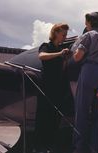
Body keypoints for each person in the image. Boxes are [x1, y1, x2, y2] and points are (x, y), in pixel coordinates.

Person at [70, 12, 98, 153]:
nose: (85, 25)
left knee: (82, 112)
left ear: (89, 22)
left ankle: (79, 148)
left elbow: (77, 57)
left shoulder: (87, 36)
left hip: (89, 71)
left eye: (86, 22)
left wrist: (76, 46)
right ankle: (96, 148)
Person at [34, 23, 71, 152]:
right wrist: (60, 53)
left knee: (55, 119)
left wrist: (65, 60)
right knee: (43, 117)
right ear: (55, 33)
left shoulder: (61, 50)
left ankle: (49, 146)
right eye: (63, 34)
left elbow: (61, 70)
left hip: (58, 88)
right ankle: (39, 147)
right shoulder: (46, 46)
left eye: (66, 35)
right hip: (46, 87)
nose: (65, 37)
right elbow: (41, 56)